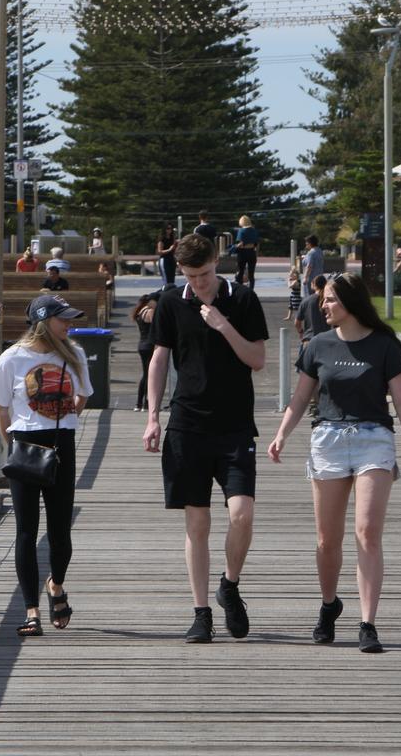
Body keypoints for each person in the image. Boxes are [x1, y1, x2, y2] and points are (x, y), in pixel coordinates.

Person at [267, 272, 401, 653]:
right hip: (328, 440)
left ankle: (367, 623)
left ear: (351, 303)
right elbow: (301, 397)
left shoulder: (385, 345)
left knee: (367, 532)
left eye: (330, 300)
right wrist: (281, 434)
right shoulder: (317, 345)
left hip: (375, 439)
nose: (323, 306)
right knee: (327, 540)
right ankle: (329, 605)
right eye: (323, 300)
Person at [143, 233, 268, 643]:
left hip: (234, 426)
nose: (199, 284)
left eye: (206, 274)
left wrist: (223, 324)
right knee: (197, 523)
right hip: (187, 424)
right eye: (191, 276)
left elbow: (257, 360)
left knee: (242, 516)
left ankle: (229, 585)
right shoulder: (170, 302)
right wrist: (152, 417)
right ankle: (201, 613)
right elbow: (160, 358)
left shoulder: (243, 300)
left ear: (218, 263)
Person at [0, 294, 93, 637]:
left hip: (61, 445)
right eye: (65, 319)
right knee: (26, 531)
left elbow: (84, 394)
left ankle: (56, 586)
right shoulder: (12, 358)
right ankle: (31, 610)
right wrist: (10, 444)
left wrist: (65, 412)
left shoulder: (74, 354)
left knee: (61, 533)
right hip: (24, 446)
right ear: (46, 322)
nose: (71, 324)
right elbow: (0, 406)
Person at [132, 293, 156, 412]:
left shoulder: (139, 312)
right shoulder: (149, 312)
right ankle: (146, 403)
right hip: (150, 346)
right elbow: (156, 328)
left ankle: (138, 403)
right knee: (150, 375)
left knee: (145, 374)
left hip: (141, 345)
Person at [295, 274, 329, 344]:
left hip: (309, 339)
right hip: (326, 339)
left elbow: (297, 322)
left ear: (314, 285)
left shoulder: (306, 301)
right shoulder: (329, 300)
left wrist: (301, 332)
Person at [234, 214, 260, 289]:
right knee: (251, 274)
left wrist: (234, 248)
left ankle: (240, 288)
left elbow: (241, 244)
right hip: (252, 252)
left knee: (240, 272)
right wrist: (256, 254)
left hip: (243, 253)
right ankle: (251, 290)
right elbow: (257, 243)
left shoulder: (241, 231)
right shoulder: (254, 230)